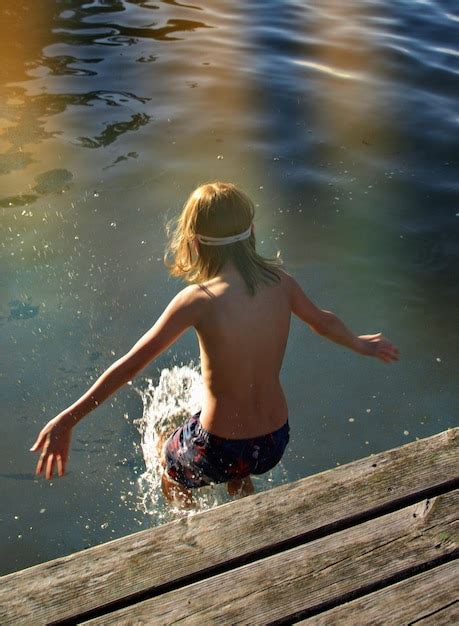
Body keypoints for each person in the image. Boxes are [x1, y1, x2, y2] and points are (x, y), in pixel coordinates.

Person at [30, 181, 400, 504]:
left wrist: (68, 419)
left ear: (193, 242)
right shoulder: (280, 282)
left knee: (165, 450)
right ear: (252, 230)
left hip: (218, 448)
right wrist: (360, 343)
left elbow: (130, 364)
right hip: (273, 441)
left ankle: (190, 539)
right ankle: (243, 504)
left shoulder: (199, 299)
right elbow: (323, 321)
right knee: (240, 461)